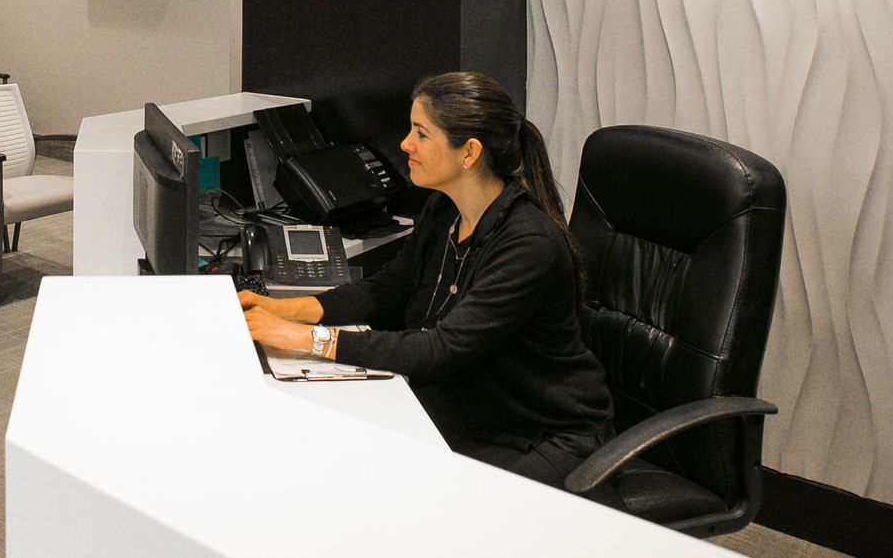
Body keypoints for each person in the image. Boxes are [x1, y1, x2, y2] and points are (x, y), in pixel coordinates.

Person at [241, 72, 614, 488]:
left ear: (469, 152)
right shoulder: (445, 209)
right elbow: (388, 289)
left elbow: (439, 349)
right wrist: (284, 310)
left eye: (421, 133)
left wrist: (302, 339)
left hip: (539, 434)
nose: (405, 144)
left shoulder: (528, 244)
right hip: (467, 407)